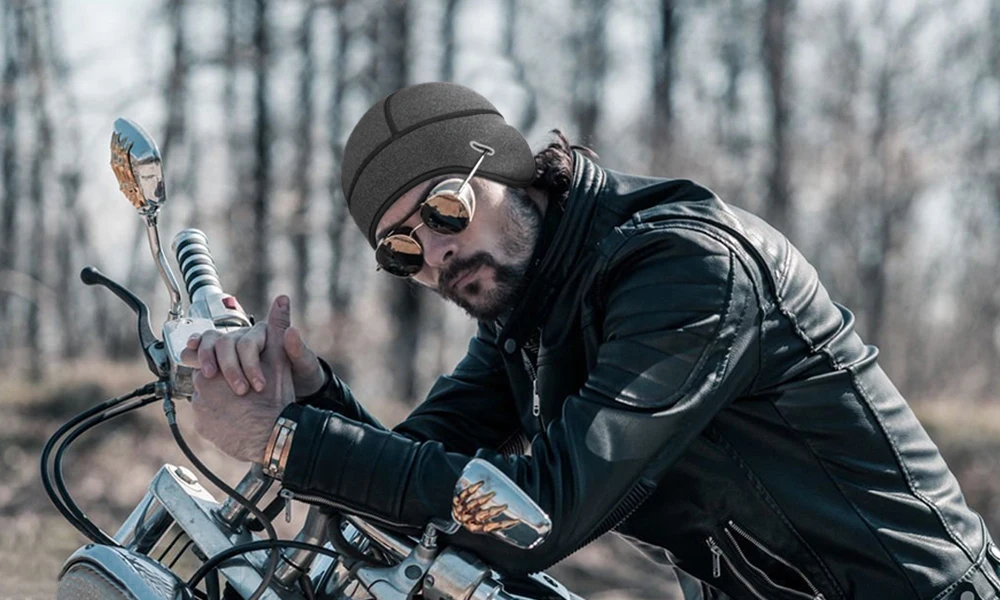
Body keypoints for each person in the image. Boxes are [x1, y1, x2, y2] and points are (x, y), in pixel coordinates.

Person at [185, 82, 1000, 599]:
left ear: (509, 168)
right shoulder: (523, 308)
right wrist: (308, 397)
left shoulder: (685, 268)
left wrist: (286, 442)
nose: (435, 253)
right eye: (402, 249)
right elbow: (420, 478)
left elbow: (536, 514)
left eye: (444, 209)